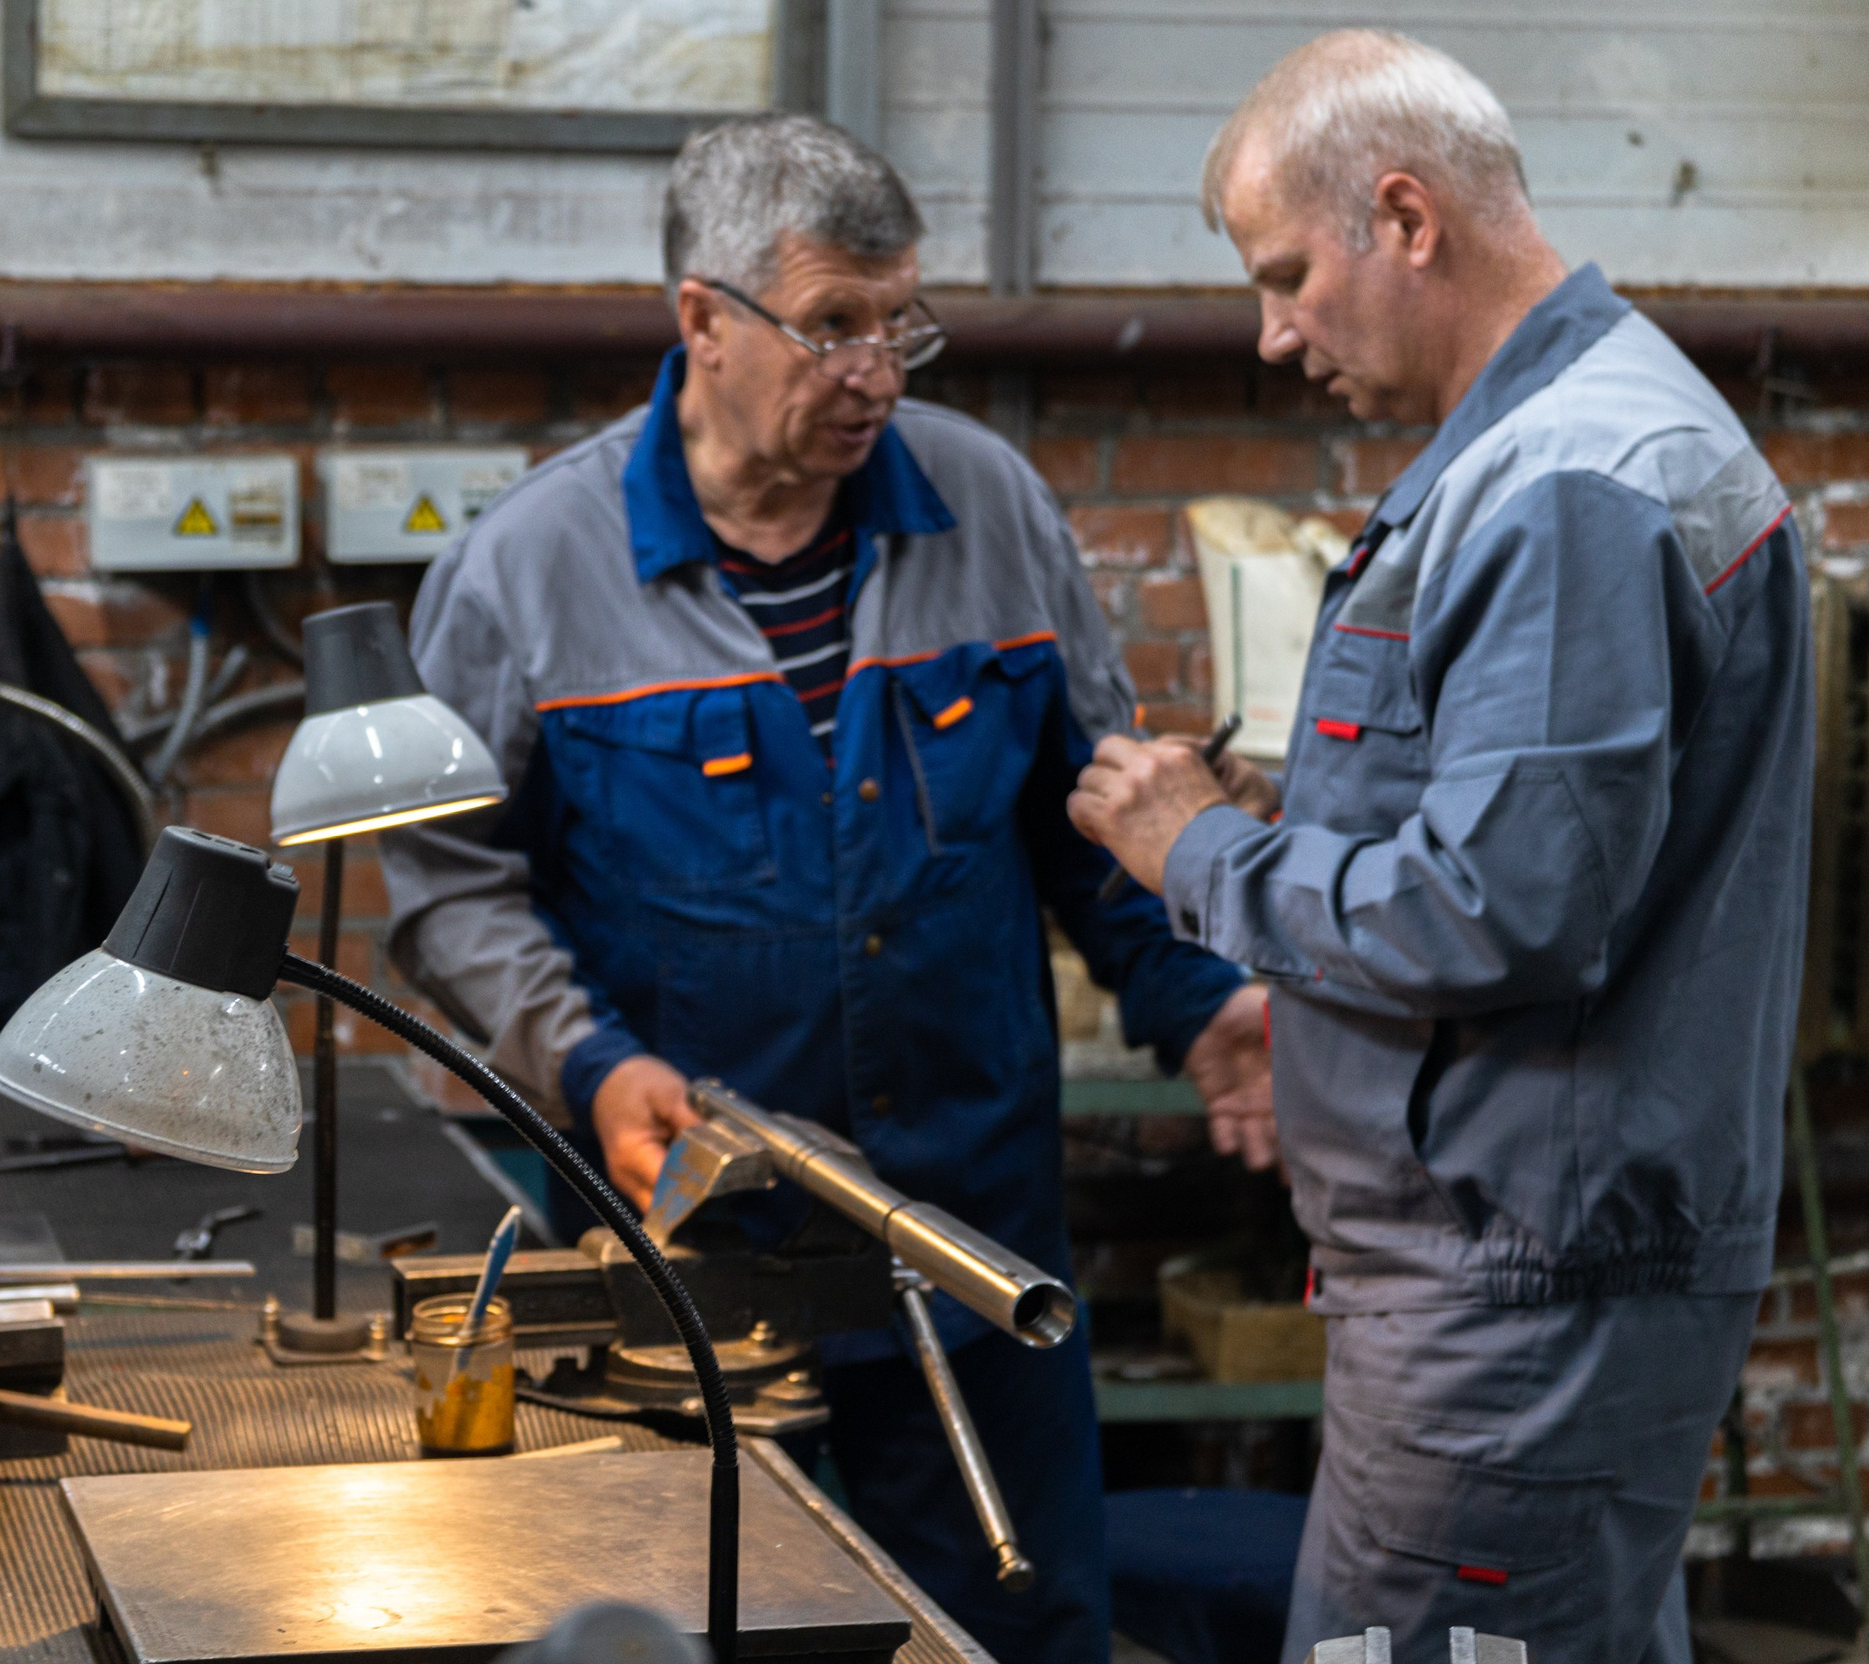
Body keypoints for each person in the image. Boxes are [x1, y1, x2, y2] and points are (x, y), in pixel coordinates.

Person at [380, 112, 1271, 1661]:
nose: (875, 371)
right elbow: (452, 889)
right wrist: (587, 1065)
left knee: (1019, 1624)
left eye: (899, 323)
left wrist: (1202, 999)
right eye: (832, 326)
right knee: (695, 1619)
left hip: (973, 1225)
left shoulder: (991, 511)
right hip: (686, 1248)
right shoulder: (530, 568)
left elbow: (1095, 820)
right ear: (702, 320)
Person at [1067, 32, 1806, 1664]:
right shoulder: (1568, 444)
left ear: (1404, 216)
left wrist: (1198, 854)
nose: (1273, 338)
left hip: (1521, 1301)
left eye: (1284, 277)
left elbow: (1506, 911)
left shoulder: (1564, 487)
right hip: (1521, 1285)